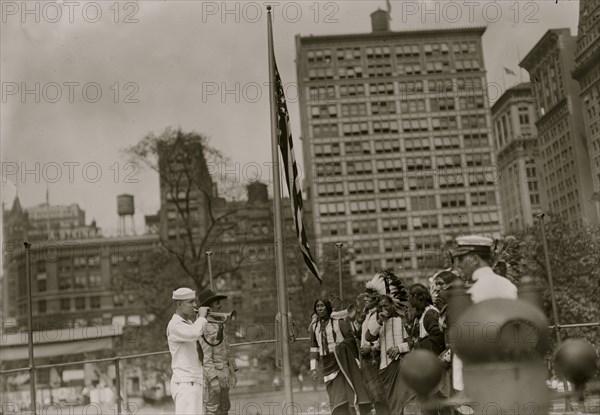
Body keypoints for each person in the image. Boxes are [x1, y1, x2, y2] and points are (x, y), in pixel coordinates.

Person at [449, 235, 518, 394]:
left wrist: (460, 384)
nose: (458, 264)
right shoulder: (508, 285)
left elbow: (466, 339)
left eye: (461, 258)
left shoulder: (474, 291)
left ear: (473, 259)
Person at [310, 298, 371, 415]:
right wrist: (313, 368)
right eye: (317, 306)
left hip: (343, 363)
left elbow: (350, 339)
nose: (320, 308)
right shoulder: (314, 327)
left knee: (346, 396)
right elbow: (314, 348)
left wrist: (339, 348)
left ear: (327, 308)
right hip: (327, 365)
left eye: (322, 306)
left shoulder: (339, 323)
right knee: (335, 397)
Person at [364, 269, 412, 414]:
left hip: (400, 365)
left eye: (386, 306)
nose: (384, 309)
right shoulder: (378, 321)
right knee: (391, 402)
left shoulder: (402, 320)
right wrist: (379, 321)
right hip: (384, 369)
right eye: (381, 307)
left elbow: (412, 341)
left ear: (393, 305)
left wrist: (399, 348)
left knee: (401, 401)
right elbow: (369, 337)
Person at [166, 287, 209, 415]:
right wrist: (202, 317)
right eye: (191, 302)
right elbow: (194, 333)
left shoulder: (188, 323)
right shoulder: (175, 325)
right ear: (179, 304)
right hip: (185, 382)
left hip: (193, 381)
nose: (195, 305)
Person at [197, 288, 237, 415]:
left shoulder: (220, 324)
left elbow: (227, 350)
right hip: (214, 377)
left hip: (224, 375)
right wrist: (213, 379)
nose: (220, 305)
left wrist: (233, 371)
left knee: (225, 407)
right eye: (216, 303)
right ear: (208, 308)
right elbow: (206, 358)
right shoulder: (205, 327)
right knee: (213, 409)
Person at [359, 288, 390, 415]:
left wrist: (371, 348)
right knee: (374, 394)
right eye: (364, 296)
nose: (364, 299)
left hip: (374, 357)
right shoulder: (368, 314)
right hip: (366, 358)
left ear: (376, 298)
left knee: (379, 395)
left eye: (368, 296)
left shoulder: (379, 314)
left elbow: (382, 337)